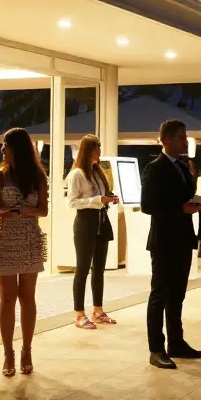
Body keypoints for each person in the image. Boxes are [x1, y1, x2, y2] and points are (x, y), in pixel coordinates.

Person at [141, 119, 201, 369]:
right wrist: (180, 207)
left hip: (182, 237)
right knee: (160, 294)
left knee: (177, 294)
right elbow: (148, 205)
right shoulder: (155, 168)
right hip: (164, 240)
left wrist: (195, 199)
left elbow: (183, 198)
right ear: (167, 140)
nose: (185, 140)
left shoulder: (182, 166)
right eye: (181, 137)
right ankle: (156, 348)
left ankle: (176, 343)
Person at [0, 128, 49, 376]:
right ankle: (7, 353)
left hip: (29, 238)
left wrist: (24, 211)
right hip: (4, 237)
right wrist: (4, 211)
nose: (2, 149)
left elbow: (43, 210)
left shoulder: (38, 177)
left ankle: (27, 349)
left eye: (5, 144)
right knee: (7, 298)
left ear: (17, 148)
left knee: (27, 297)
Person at [66, 134, 119, 330]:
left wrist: (109, 198)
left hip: (101, 222)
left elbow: (100, 197)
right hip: (85, 223)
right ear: (88, 150)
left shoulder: (97, 172)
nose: (99, 151)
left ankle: (98, 310)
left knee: (99, 270)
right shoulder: (77, 174)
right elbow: (72, 202)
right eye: (97, 148)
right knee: (82, 269)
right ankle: (79, 314)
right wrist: (98, 200)